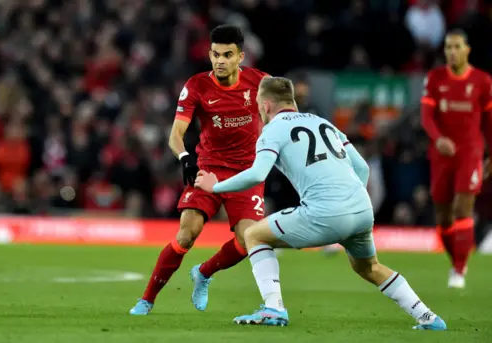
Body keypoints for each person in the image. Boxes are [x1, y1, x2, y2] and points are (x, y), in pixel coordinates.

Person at [194, 76, 447, 330]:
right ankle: (428, 317)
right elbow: (362, 168)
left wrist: (214, 187)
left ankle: (273, 308)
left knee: (254, 235)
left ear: (267, 104)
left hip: (325, 212)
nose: (258, 108)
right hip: (361, 208)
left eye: (259, 103)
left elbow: (257, 174)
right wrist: (347, 203)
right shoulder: (324, 122)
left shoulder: (272, 130)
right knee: (369, 267)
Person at [129, 25, 269, 315]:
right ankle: (147, 299)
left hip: (247, 173)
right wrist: (184, 157)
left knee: (248, 240)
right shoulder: (196, 85)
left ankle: (203, 273)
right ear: (209, 54)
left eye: (227, 55)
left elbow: (281, 118)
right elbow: (175, 133)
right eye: (215, 54)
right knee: (186, 234)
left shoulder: (261, 83)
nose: (220, 60)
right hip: (208, 170)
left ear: (241, 56)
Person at [420, 29, 492, 289]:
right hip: (441, 155)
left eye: (457, 47)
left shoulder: (483, 81)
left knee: (463, 208)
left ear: (467, 49)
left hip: (470, 153)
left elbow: (489, 122)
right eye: (448, 47)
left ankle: (459, 269)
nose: (452, 52)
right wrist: (438, 138)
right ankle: (457, 260)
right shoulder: (435, 78)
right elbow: (426, 117)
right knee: (443, 217)